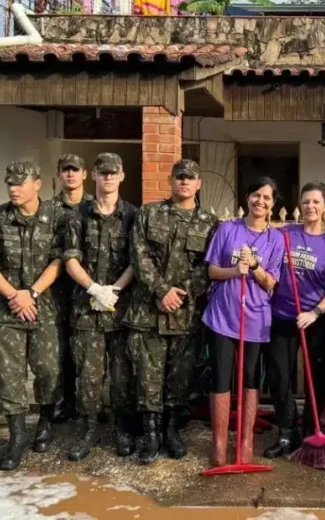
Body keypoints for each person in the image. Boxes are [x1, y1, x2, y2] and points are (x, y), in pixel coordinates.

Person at [0, 161, 66, 471]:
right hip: (5, 311)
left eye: (19, 183)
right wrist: (14, 294)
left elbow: (59, 261)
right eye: (9, 183)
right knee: (9, 376)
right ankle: (16, 435)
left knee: (48, 370)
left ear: (37, 184)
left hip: (44, 307)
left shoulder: (57, 216)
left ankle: (45, 423)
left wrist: (33, 293)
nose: (13, 188)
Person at [125, 159, 218, 464]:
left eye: (190, 178)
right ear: (171, 180)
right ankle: (151, 435)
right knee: (148, 377)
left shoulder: (210, 222)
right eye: (179, 177)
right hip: (148, 312)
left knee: (180, 378)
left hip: (185, 314)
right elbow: (138, 256)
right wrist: (161, 290)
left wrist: (182, 293)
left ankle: (172, 431)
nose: (184, 182)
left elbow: (209, 266)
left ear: (198, 183)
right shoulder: (148, 214)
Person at [202, 177, 285, 466]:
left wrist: (255, 267)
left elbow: (271, 283)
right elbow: (212, 270)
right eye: (255, 195)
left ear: (273, 204)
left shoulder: (276, 239)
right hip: (223, 315)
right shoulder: (228, 229)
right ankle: (220, 443)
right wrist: (234, 270)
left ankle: (246, 439)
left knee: (250, 377)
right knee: (221, 376)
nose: (260, 201)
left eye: (266, 197)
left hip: (255, 318)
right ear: (247, 198)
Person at [61, 153, 138, 461]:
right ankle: (88, 430)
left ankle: (122, 429)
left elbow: (137, 259)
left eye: (113, 173)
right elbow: (70, 259)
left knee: (122, 376)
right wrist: (93, 288)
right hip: (86, 308)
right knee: (89, 376)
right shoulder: (77, 215)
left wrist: (115, 289)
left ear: (121, 177)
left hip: (120, 310)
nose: (108, 178)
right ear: (92, 175)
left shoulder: (133, 215)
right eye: (103, 173)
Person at [263, 181, 325, 458]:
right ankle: (287, 432)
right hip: (283, 316)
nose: (310, 206)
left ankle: (312, 431)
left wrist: (315, 313)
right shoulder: (285, 234)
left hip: (318, 319)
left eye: (316, 202)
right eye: (306, 201)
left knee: (317, 377)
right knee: (279, 376)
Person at [51, 154, 92, 424]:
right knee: (61, 351)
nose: (70, 175)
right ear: (58, 173)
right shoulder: (48, 209)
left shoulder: (93, 207)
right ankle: (66, 402)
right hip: (57, 290)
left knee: (89, 353)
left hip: (88, 291)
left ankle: (92, 403)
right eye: (65, 170)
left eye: (75, 170)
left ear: (84, 174)